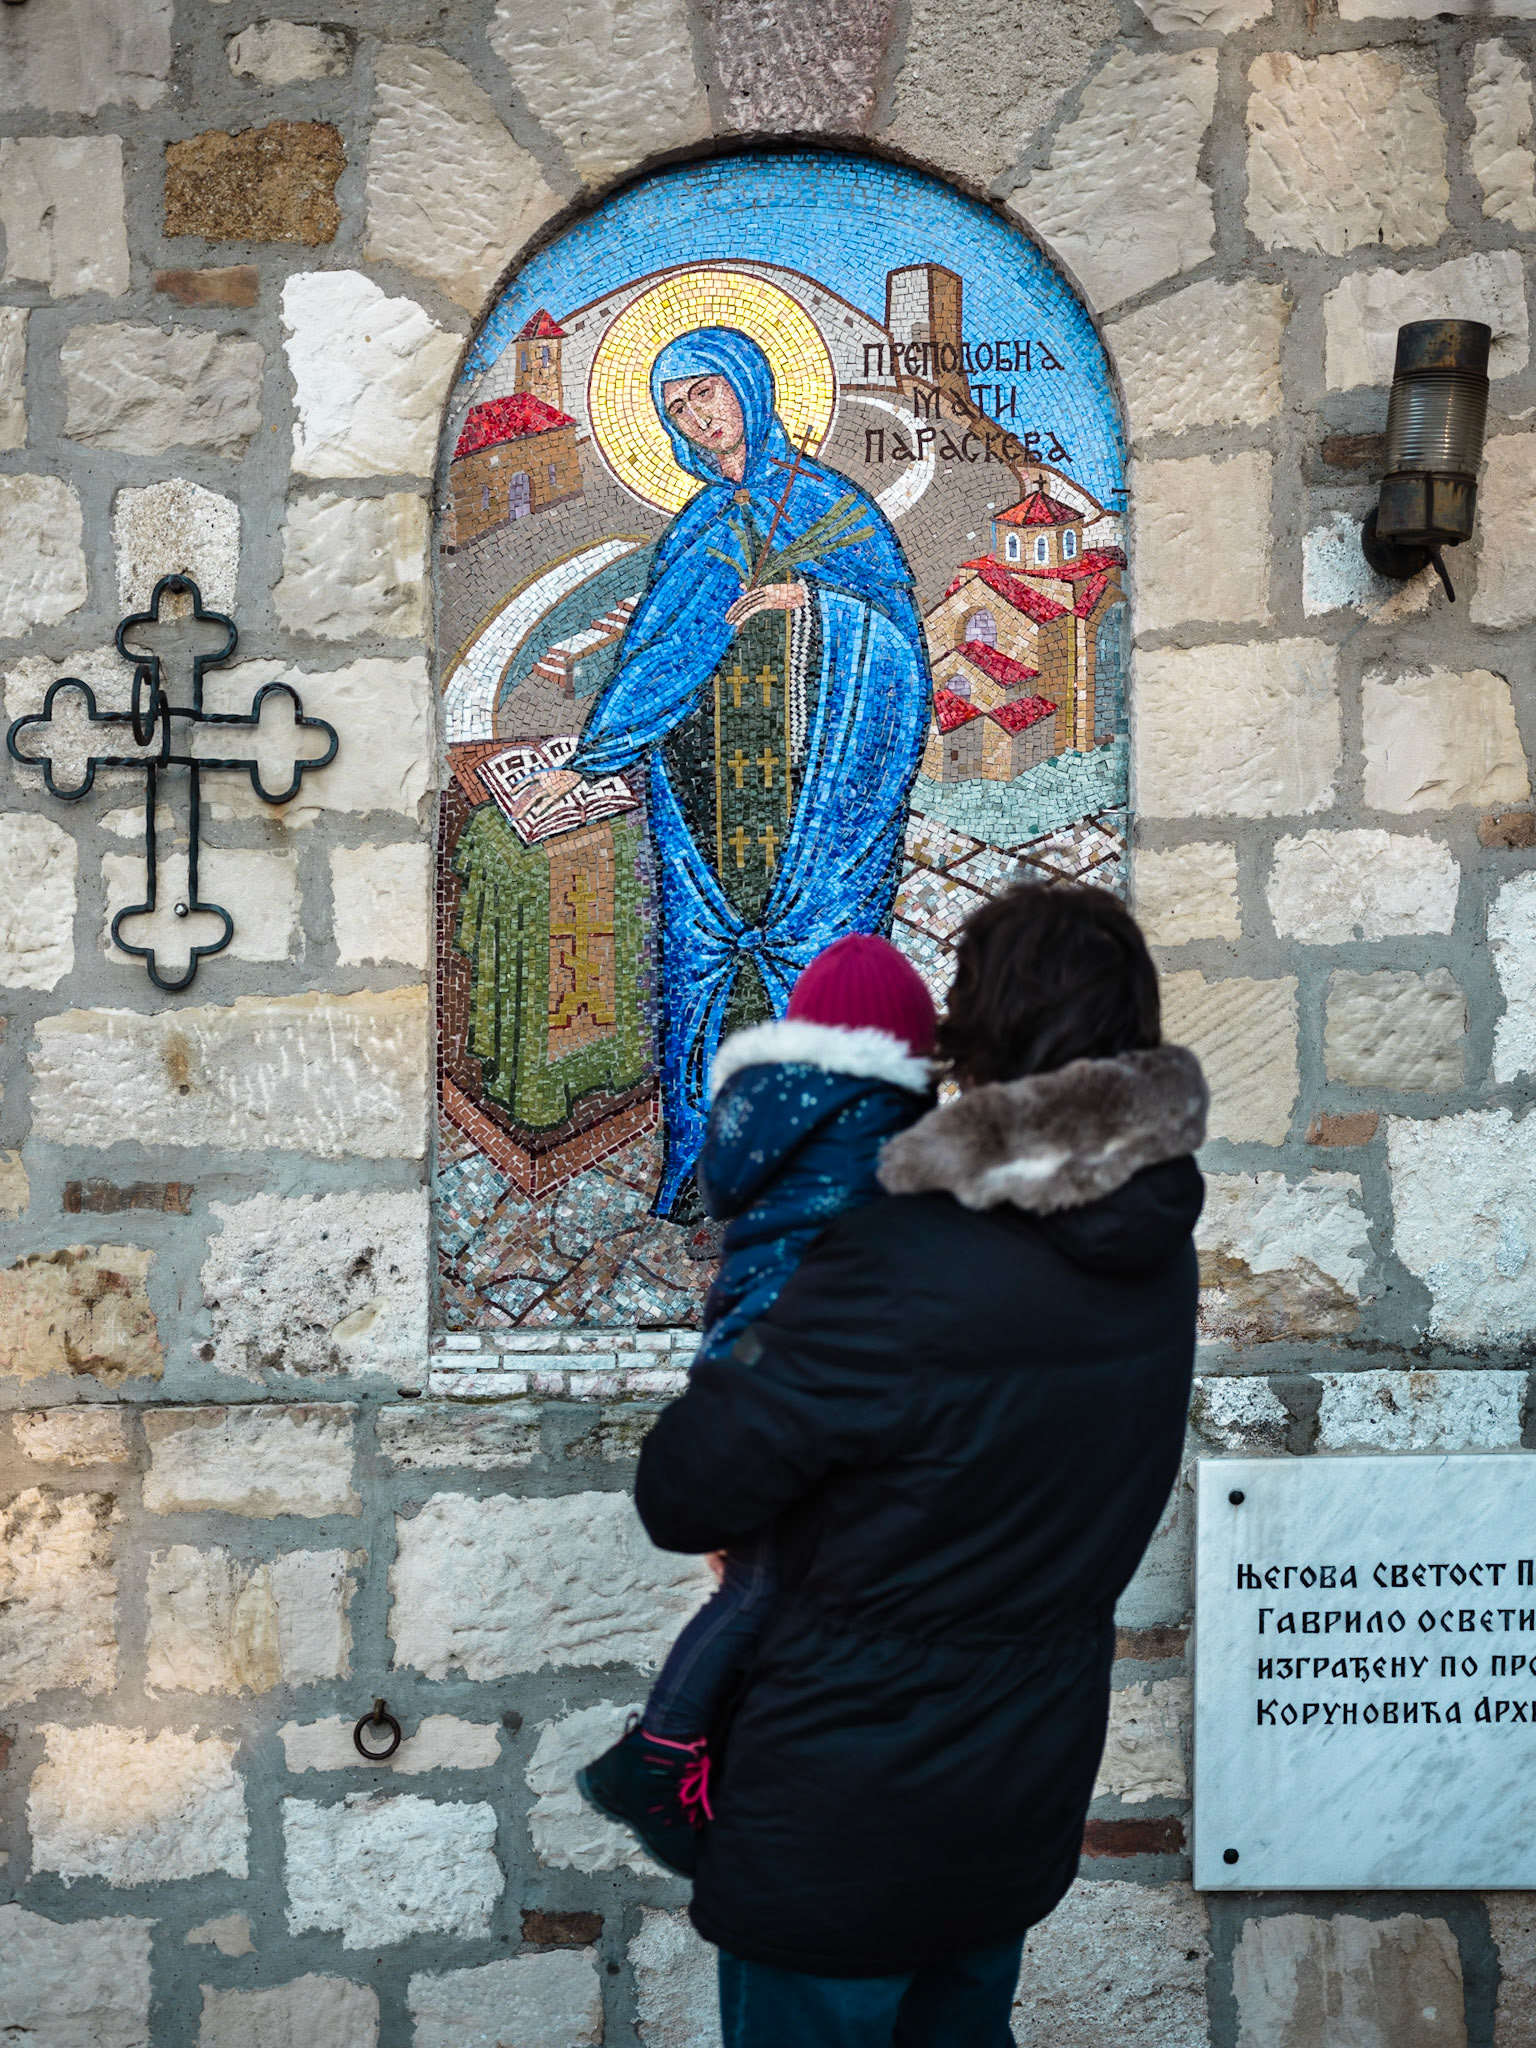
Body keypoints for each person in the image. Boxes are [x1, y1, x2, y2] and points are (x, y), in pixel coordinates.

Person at [633, 882, 1208, 2048]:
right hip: (1017, 1788)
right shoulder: (1156, 1249)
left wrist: (756, 1323)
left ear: (983, 1032)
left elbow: (687, 1486)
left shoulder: (895, 1255)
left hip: (843, 1807)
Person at [507, 328, 933, 1214]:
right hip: (701, 792)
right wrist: (590, 762)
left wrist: (809, 601)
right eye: (676, 408)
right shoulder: (697, 526)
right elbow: (658, 657)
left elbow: (899, 648)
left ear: (749, 384)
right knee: (707, 969)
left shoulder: (836, 508)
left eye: (705, 392)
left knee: (813, 961)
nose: (698, 417)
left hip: (811, 797)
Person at [578, 933, 938, 1872]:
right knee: (764, 1585)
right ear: (897, 1050)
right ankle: (655, 1759)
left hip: (744, 1374)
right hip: (794, 1390)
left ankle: (681, 1756)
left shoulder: (769, 1120)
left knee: (754, 1584)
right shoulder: (869, 1130)